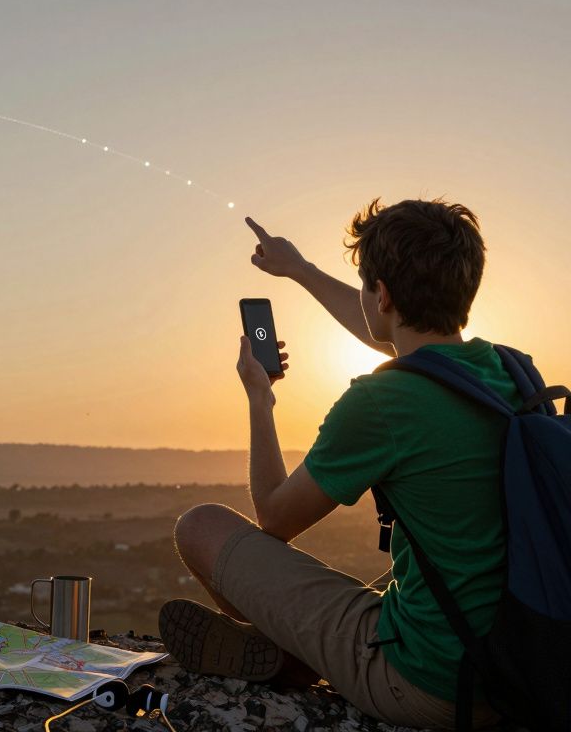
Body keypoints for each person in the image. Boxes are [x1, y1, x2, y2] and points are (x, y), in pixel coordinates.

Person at [159, 198, 513, 730]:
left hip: (430, 684)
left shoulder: (384, 402)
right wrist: (299, 271)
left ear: (383, 294)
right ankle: (296, 649)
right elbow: (395, 332)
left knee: (200, 527)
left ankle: (292, 652)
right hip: (517, 664)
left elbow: (275, 518)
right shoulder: (506, 372)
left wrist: (261, 399)